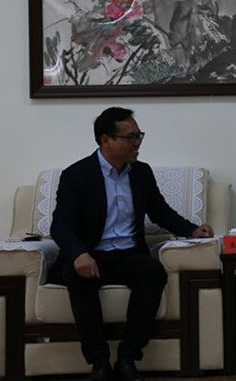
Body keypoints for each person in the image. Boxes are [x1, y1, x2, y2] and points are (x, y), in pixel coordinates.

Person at [49, 107, 213, 381]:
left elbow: (161, 212)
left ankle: (127, 357)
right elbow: (61, 224)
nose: (138, 143)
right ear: (106, 140)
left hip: (128, 255)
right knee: (76, 276)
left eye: (139, 136)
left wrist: (192, 230)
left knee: (153, 272)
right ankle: (99, 362)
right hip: (91, 255)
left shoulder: (141, 173)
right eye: (131, 137)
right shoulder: (77, 175)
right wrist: (78, 254)